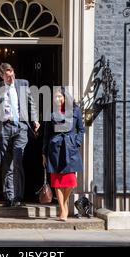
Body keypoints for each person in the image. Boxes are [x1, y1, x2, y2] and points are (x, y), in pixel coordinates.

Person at [0, 63, 40, 207]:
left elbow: (31, 104)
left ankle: (18, 197)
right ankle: (8, 197)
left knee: (18, 162)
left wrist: (35, 119)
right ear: (2, 76)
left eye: (12, 73)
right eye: (7, 75)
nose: (11, 77)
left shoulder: (23, 84)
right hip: (4, 127)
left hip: (20, 127)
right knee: (7, 164)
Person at [42, 87, 85, 221]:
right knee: (57, 181)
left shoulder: (75, 111)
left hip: (70, 148)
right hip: (55, 149)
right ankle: (62, 209)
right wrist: (44, 153)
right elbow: (46, 135)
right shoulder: (51, 113)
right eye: (55, 97)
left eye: (60, 96)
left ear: (65, 97)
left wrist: (76, 142)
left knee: (71, 182)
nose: (58, 99)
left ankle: (64, 203)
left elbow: (81, 129)